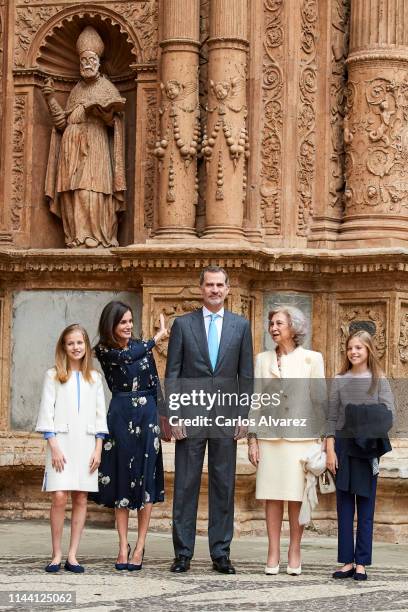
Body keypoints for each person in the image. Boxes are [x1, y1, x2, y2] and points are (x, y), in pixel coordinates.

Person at [165, 266, 253, 574]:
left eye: (220, 285)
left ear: (228, 289)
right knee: (186, 484)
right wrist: (173, 414)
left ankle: (221, 553)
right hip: (189, 416)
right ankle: (183, 554)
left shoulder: (241, 327)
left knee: (223, 484)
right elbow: (172, 373)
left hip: (227, 418)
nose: (214, 290)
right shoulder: (183, 325)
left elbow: (247, 375)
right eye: (209, 285)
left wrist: (244, 416)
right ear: (201, 289)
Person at [89, 301, 168, 571]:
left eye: (130, 321)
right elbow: (125, 358)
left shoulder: (140, 348)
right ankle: (123, 545)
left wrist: (164, 417)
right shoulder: (104, 350)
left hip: (147, 417)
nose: (128, 326)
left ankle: (141, 544)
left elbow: (155, 382)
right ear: (111, 325)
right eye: (123, 322)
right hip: (120, 416)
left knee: (145, 481)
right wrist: (156, 338)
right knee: (122, 480)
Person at [247, 306, 326, 576]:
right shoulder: (262, 359)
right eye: (271, 323)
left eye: (279, 323)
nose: (273, 328)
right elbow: (255, 400)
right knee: (271, 497)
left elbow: (320, 402)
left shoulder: (312, 359)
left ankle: (295, 549)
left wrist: (323, 440)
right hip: (270, 439)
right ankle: (272, 551)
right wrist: (252, 439)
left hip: (301, 439)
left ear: (294, 328)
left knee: (296, 498)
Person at [43, 26, 126, 248]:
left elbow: (115, 122)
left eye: (91, 60)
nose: (86, 64)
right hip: (70, 151)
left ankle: (97, 235)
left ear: (98, 61)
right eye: (83, 61)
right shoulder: (75, 90)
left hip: (96, 147)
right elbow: (61, 123)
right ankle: (76, 235)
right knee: (73, 191)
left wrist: (101, 112)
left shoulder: (107, 87)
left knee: (92, 190)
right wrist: (50, 98)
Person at [36, 324, 108, 573]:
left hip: (87, 444)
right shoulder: (53, 375)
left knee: (81, 497)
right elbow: (46, 412)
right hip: (61, 444)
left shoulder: (95, 378)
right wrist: (53, 446)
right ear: (63, 347)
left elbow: (100, 416)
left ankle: (73, 556)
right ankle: (56, 554)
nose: (76, 347)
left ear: (86, 346)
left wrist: (98, 448)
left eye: (80, 343)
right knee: (58, 496)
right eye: (71, 343)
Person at [326, 330, 394, 581]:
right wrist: (330, 449)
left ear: (368, 351)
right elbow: (331, 418)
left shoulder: (379, 379)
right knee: (344, 507)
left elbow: (390, 415)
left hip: (367, 450)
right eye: (350, 348)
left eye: (359, 348)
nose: (354, 352)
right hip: (343, 448)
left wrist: (366, 426)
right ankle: (347, 561)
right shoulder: (339, 379)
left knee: (365, 507)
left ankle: (362, 562)